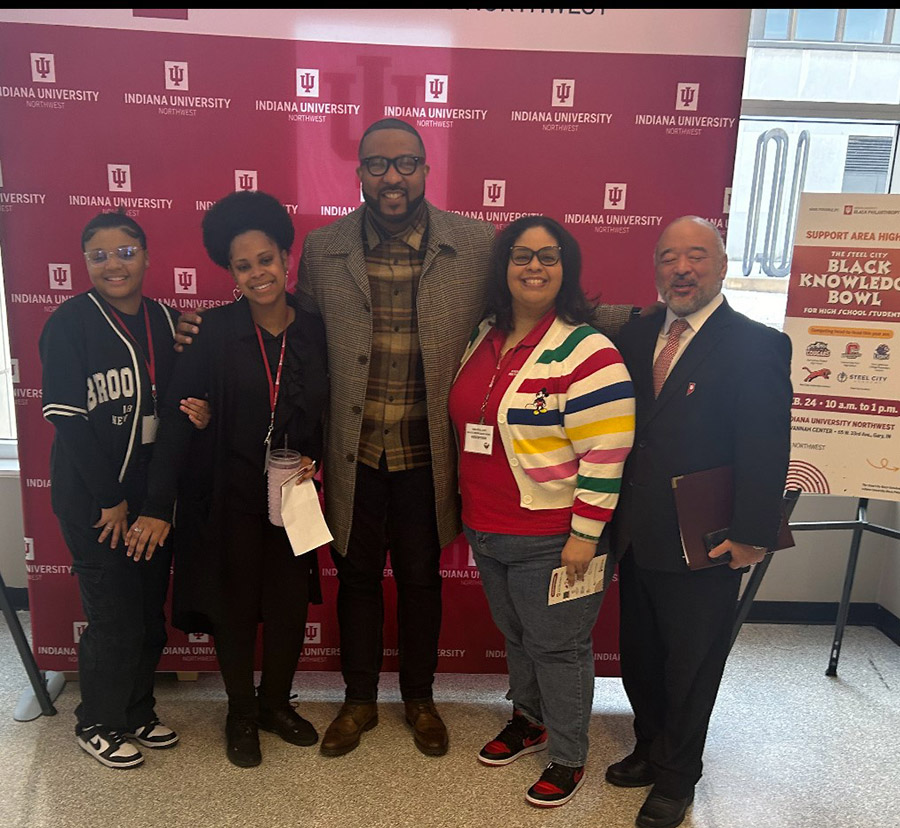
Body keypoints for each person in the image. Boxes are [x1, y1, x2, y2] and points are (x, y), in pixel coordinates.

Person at [175, 118, 637, 758]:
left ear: (425, 169)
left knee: (422, 580)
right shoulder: (327, 248)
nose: (392, 176)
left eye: (407, 163)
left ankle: (419, 699)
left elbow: (545, 300)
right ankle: (359, 701)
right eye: (377, 164)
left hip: (430, 454)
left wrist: (652, 318)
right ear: (359, 172)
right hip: (351, 452)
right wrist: (197, 324)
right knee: (357, 578)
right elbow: (288, 321)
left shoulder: (474, 244)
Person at [125, 190, 329, 769]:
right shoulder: (209, 332)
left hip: (293, 493)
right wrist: (158, 503)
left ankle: (274, 705)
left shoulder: (314, 329)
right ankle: (240, 711)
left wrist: (319, 461)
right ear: (231, 273)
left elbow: (331, 408)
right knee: (235, 607)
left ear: (285, 258)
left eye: (265, 259)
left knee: (289, 606)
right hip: (226, 493)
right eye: (243, 266)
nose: (257, 273)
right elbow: (177, 422)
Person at [607, 216, 792, 828]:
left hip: (706, 540)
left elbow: (767, 447)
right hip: (635, 534)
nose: (681, 268)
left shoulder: (757, 344)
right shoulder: (635, 338)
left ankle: (679, 776)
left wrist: (751, 533)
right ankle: (649, 747)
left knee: (692, 663)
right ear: (655, 267)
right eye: (667, 257)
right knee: (640, 655)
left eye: (696, 256)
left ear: (721, 264)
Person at [449, 215, 635, 806]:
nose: (534, 266)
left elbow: (608, 450)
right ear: (502, 267)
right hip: (488, 526)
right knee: (519, 637)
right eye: (521, 255)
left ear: (566, 268)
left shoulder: (586, 349)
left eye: (548, 256)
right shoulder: (484, 333)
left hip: (555, 535)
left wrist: (586, 534)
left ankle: (568, 754)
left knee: (559, 647)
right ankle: (530, 720)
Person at [39, 210, 210, 769]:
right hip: (95, 498)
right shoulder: (69, 323)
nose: (114, 263)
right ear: (85, 262)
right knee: (113, 616)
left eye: (125, 251)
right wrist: (110, 499)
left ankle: (137, 709)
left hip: (151, 497)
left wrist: (198, 411)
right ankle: (96, 720)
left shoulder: (167, 321)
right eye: (99, 255)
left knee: (146, 612)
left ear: (146, 257)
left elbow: (177, 409)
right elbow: (69, 421)